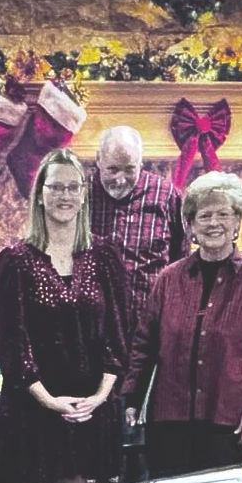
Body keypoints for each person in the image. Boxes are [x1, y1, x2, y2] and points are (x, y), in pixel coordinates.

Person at [0, 149, 130, 483]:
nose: (65, 195)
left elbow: (118, 333)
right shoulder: (15, 261)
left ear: (83, 194)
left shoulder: (105, 256)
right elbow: (11, 344)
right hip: (33, 407)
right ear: (40, 194)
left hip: (88, 406)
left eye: (73, 187)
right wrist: (50, 401)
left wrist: (98, 397)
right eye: (56, 187)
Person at [121, 172, 242, 479]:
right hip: (169, 420)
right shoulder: (169, 279)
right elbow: (144, 344)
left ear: (237, 221)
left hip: (228, 421)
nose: (213, 223)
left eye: (223, 214)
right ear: (191, 226)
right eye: (204, 216)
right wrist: (132, 398)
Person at [89, 126, 186, 340]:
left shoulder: (167, 196)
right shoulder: (80, 194)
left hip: (149, 331)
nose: (120, 179)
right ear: (98, 160)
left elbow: (181, 264)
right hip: (93, 333)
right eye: (112, 169)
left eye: (129, 169)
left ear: (141, 163)